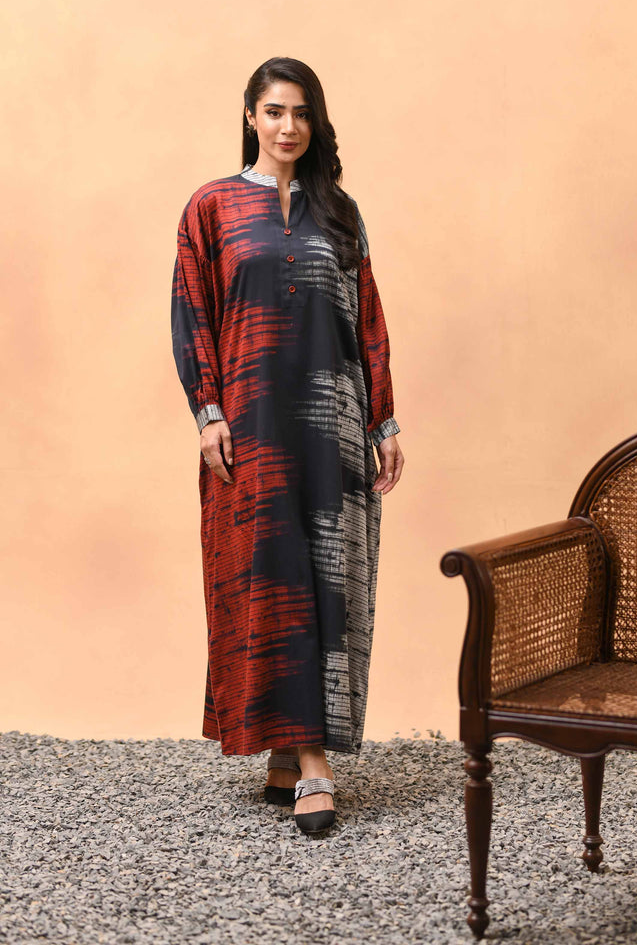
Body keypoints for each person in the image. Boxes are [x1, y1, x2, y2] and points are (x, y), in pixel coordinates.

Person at [170, 56, 404, 835]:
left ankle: (297, 757)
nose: (289, 127)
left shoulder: (339, 211)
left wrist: (383, 421)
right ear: (250, 116)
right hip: (253, 425)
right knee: (270, 578)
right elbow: (192, 313)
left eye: (302, 113)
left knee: (324, 580)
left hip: (332, 424)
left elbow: (367, 320)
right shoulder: (212, 207)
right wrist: (208, 412)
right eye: (274, 111)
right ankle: (306, 758)